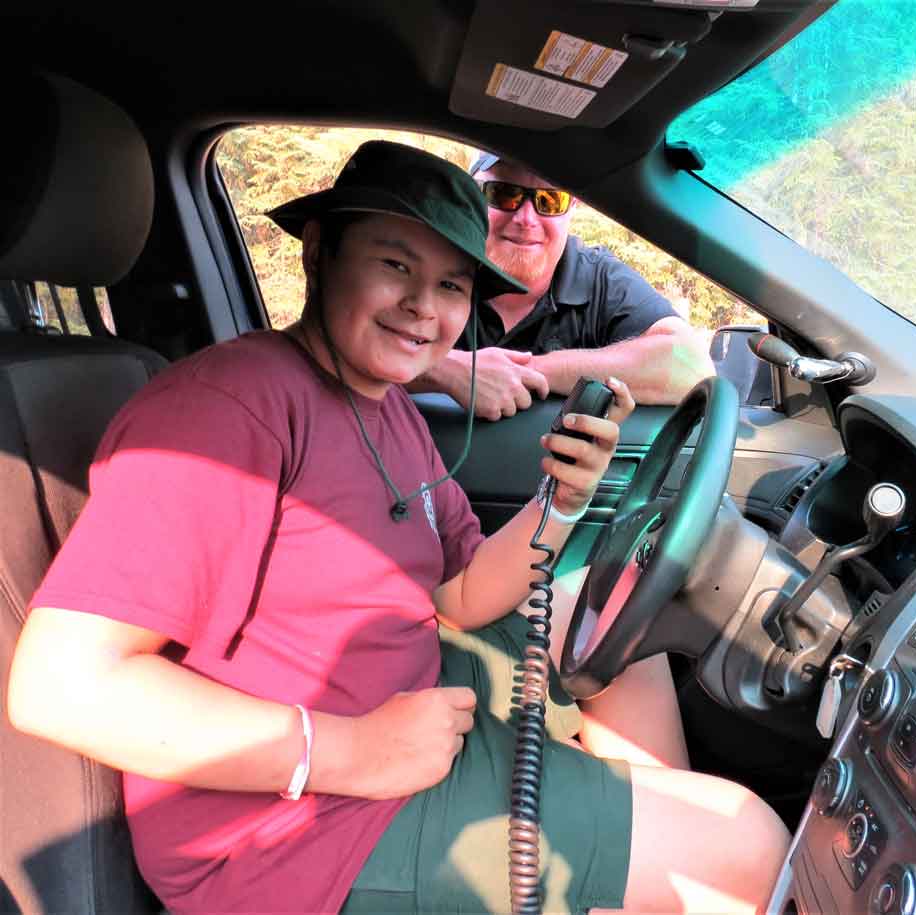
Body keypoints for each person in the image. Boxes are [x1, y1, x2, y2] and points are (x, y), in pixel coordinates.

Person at [7, 141, 789, 915]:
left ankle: (631, 850)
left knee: (616, 622)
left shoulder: (385, 405)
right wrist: (353, 751)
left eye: (452, 283)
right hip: (291, 831)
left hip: (409, 703)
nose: (426, 306)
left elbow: (460, 593)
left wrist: (562, 499)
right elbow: (61, 688)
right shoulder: (226, 408)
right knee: (746, 842)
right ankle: (651, 854)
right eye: (395, 264)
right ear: (319, 253)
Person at [409, 152, 715, 420]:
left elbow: (692, 366)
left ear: (573, 206)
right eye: (504, 193)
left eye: (550, 200)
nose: (526, 218)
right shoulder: (434, 264)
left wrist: (524, 373)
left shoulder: (599, 279)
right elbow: (363, 340)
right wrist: (448, 368)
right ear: (474, 195)